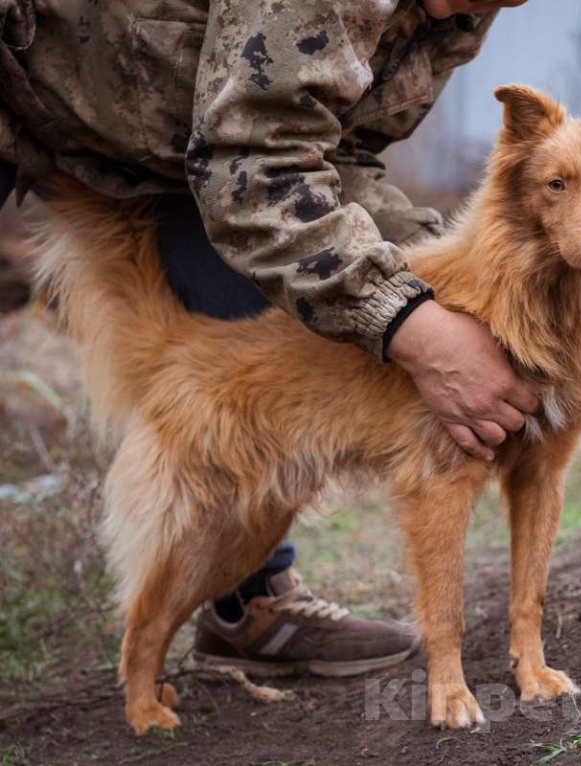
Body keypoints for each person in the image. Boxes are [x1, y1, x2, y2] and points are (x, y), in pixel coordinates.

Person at [0, 0, 536, 677]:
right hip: (33, 72)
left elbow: (326, 150)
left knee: (270, 344)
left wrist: (453, 286)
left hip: (173, 144)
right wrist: (412, 323)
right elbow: (259, 165)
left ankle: (246, 600)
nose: (491, 8)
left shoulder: (459, 13)